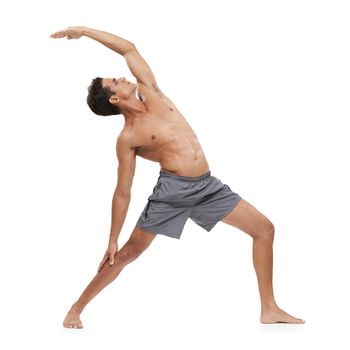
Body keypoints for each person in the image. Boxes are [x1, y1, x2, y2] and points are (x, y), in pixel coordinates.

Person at [51, 26, 305, 329]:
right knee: (129, 252)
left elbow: (128, 48)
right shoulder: (128, 137)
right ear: (115, 99)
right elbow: (123, 191)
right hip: (173, 192)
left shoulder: (153, 93)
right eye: (114, 82)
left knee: (264, 229)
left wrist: (84, 32)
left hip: (207, 186)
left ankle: (269, 308)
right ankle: (76, 308)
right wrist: (111, 238)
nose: (120, 77)